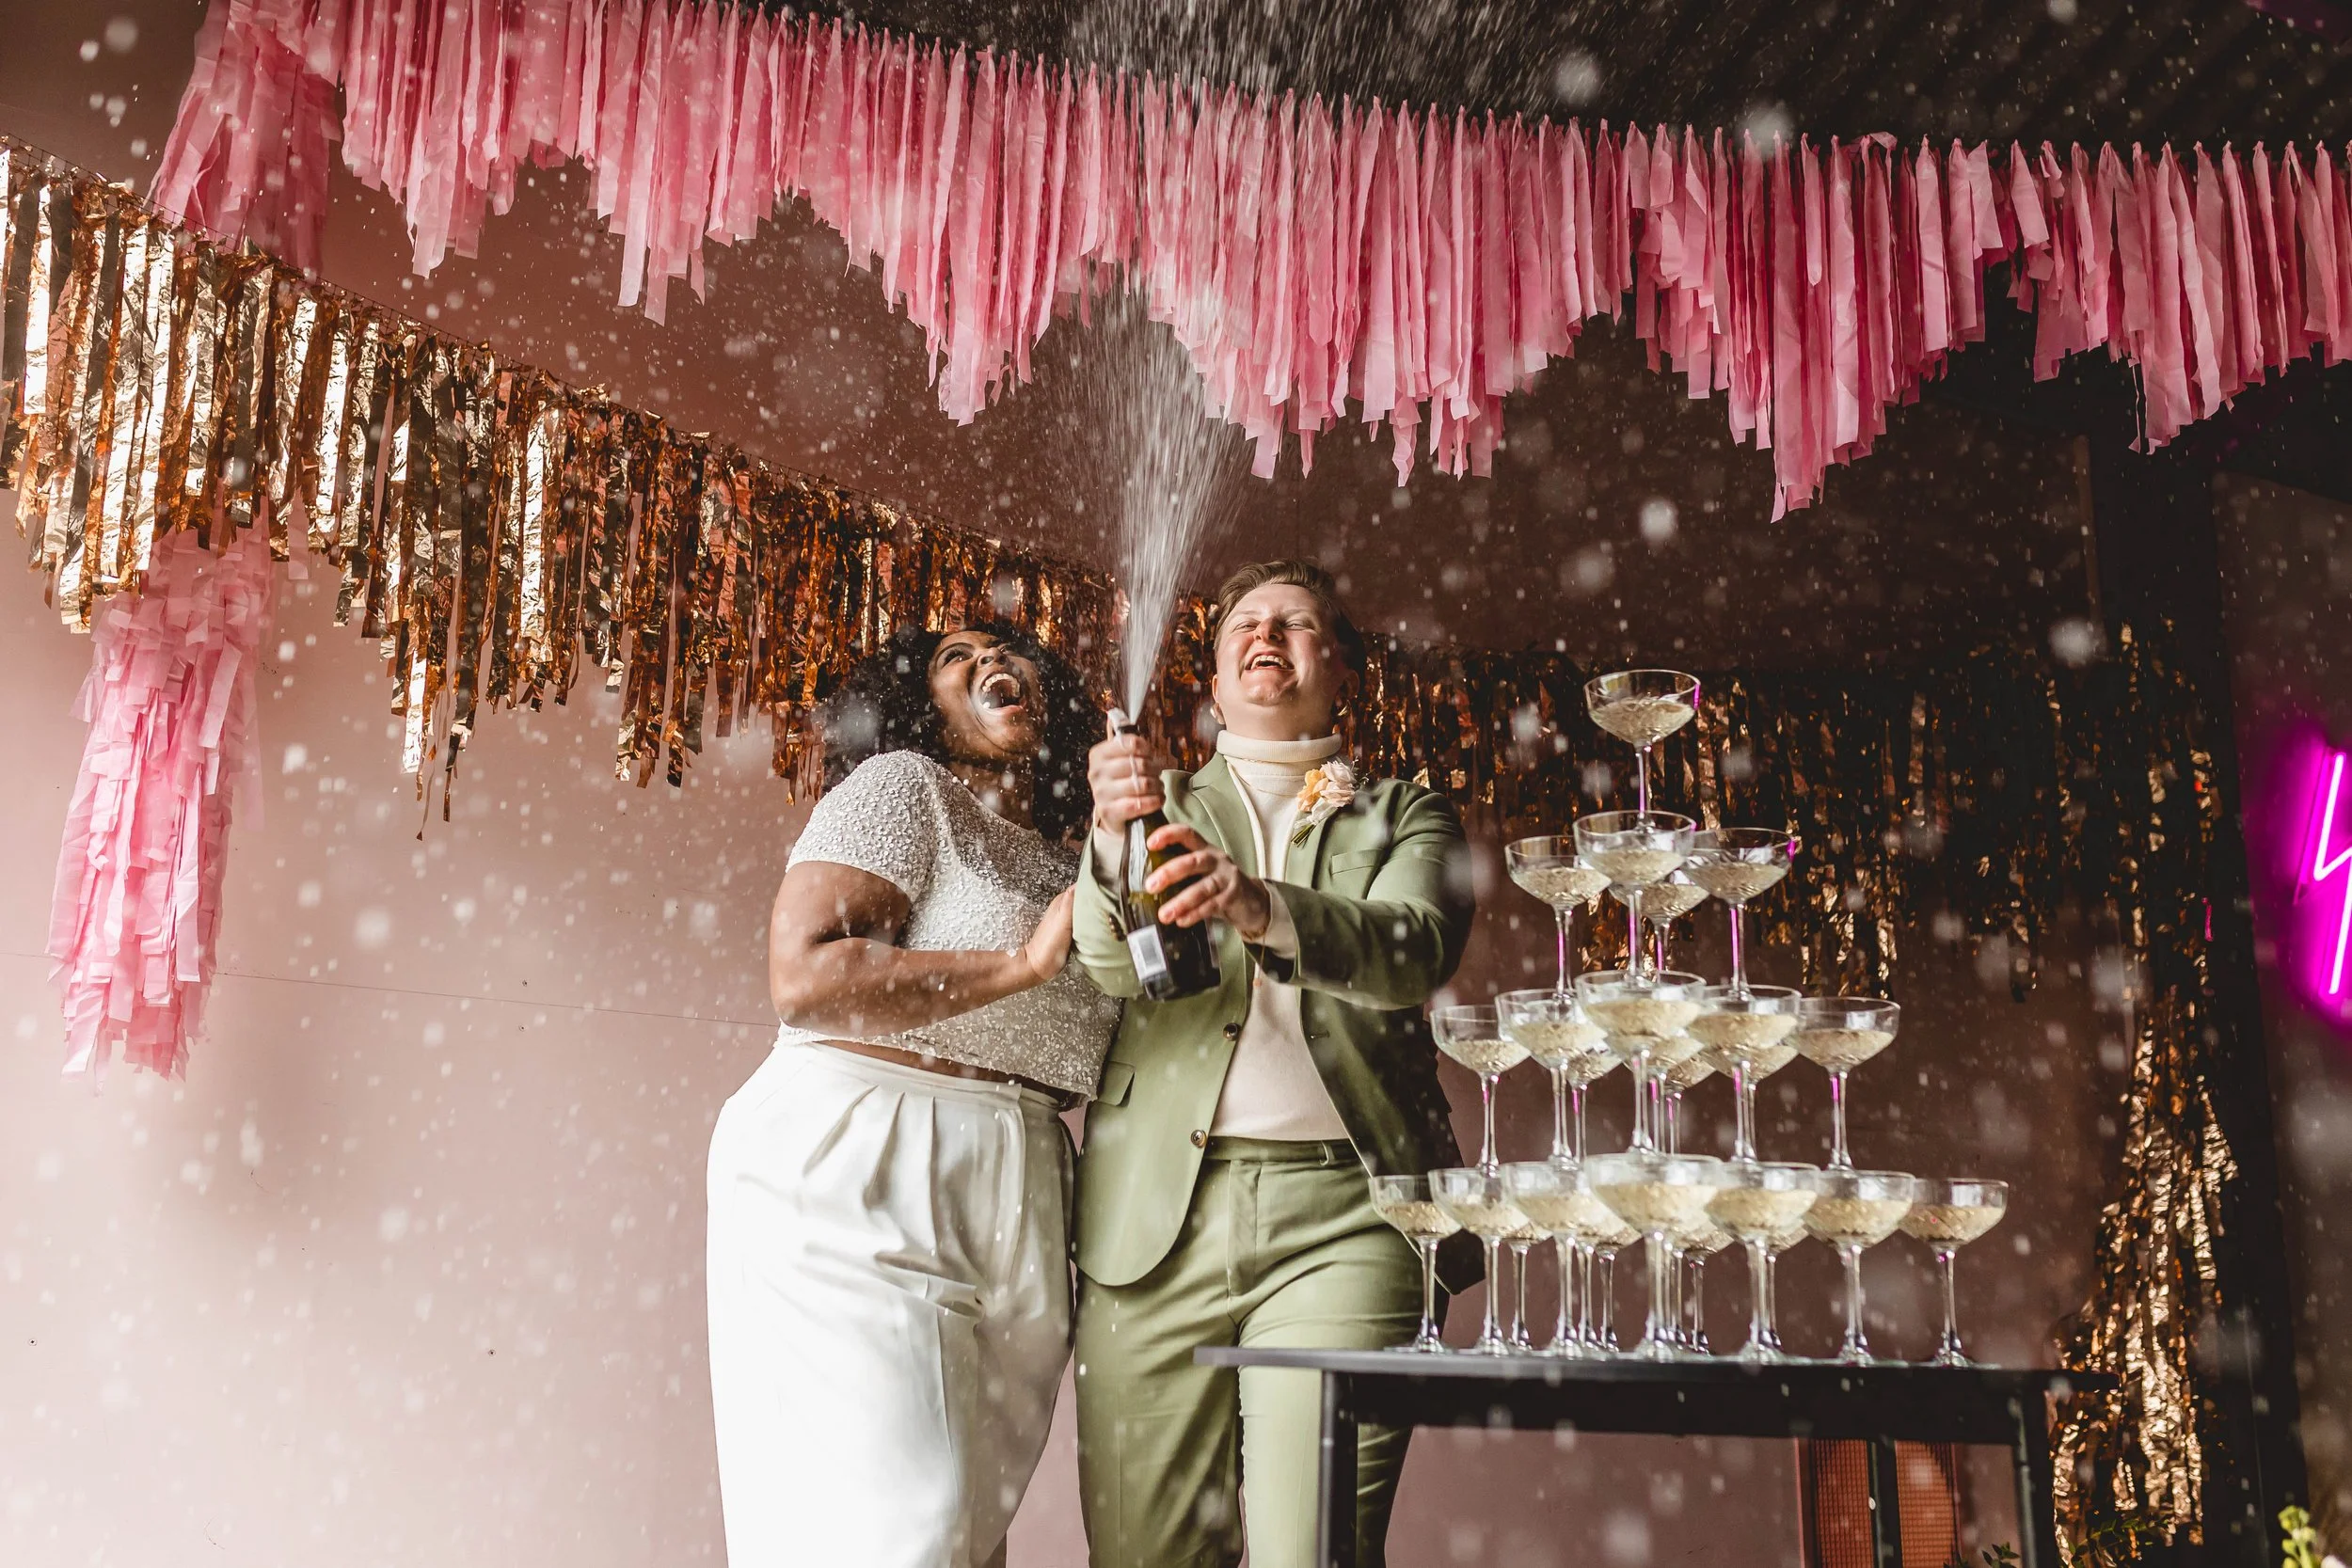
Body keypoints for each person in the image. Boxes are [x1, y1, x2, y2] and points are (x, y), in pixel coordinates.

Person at [1071, 560, 1479, 1568]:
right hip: (1153, 1222)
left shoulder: (1404, 813)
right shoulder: (1151, 798)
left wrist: (1260, 905)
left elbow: (1411, 947)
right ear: (1210, 682)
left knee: (1314, 1554)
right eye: (1246, 624)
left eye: (1297, 624)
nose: (1268, 634)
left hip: (1350, 1214)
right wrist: (1109, 842)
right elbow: (1110, 965)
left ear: (1337, 669)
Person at [706, 620, 1120, 1568]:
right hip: (863, 1145)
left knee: (969, 1532)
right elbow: (807, 973)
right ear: (915, 704)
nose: (992, 664)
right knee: (908, 1528)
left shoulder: (1073, 857)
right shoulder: (904, 785)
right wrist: (1020, 960)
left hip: (1026, 1172)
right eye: (955, 659)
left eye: (1009, 653)